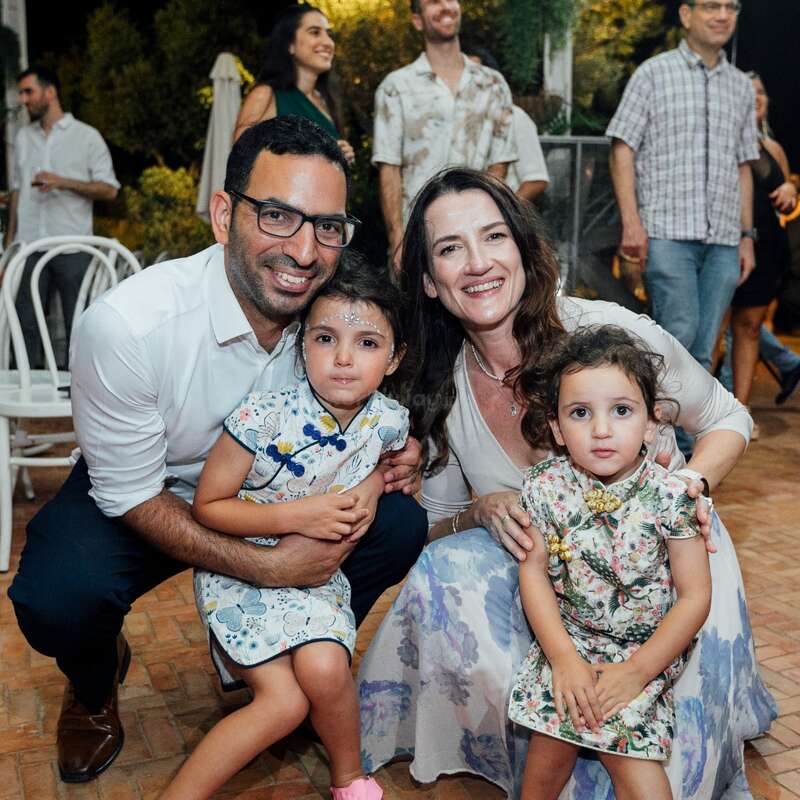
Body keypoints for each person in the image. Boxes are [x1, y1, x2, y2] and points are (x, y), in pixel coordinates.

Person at [8, 116, 427, 785]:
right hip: (151, 489)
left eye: (327, 226)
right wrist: (271, 569)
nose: (305, 250)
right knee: (59, 594)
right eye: (279, 216)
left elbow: (374, 417)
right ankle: (92, 686)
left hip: (277, 494)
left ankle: (274, 652)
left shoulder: (332, 320)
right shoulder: (128, 329)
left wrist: (393, 460)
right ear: (224, 214)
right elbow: (127, 493)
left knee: (402, 523)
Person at [356, 168, 776, 799]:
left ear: (524, 251)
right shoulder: (443, 385)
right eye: (449, 249)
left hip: (663, 568)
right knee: (445, 571)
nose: (476, 263)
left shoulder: (607, 334)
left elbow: (727, 417)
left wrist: (686, 484)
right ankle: (504, 727)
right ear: (429, 283)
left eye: (493, 237)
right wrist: (480, 508)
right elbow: (433, 527)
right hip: (559, 589)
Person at [161, 258, 404, 800]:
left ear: (393, 359)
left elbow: (388, 459)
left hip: (315, 578)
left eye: (367, 343)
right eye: (325, 338)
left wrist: (370, 487)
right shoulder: (262, 417)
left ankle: (349, 780)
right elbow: (209, 506)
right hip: (242, 569)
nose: (344, 358)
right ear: (302, 348)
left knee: (323, 667)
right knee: (286, 702)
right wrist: (300, 515)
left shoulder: (387, 418)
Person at [509, 326, 711, 799]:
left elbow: (695, 595)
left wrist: (639, 670)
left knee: (630, 759)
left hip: (646, 649)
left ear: (650, 424)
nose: (601, 430)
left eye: (621, 411)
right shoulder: (544, 486)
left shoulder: (672, 497)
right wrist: (562, 659)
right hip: (571, 642)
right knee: (549, 745)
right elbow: (533, 570)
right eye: (580, 413)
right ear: (557, 429)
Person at [606, 1, 758, 379]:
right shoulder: (653, 74)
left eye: (730, 7)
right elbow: (622, 147)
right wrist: (631, 223)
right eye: (711, 6)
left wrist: (746, 236)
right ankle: (665, 436)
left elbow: (743, 167)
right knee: (678, 335)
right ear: (686, 15)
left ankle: (689, 439)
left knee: (705, 347)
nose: (722, 15)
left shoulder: (741, 86)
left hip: (724, 239)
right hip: (668, 234)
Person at [372, 0, 516, 269]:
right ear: (417, 20)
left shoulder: (493, 84)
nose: (445, 7)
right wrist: (397, 242)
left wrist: (492, 233)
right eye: (432, 2)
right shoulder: (396, 87)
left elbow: (499, 167)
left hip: (478, 239)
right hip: (418, 241)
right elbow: (389, 169)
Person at [3, 65, 119, 367]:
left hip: (72, 247)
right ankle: (27, 401)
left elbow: (109, 190)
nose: (24, 100)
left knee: (78, 327)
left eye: (29, 92)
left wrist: (63, 181)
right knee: (24, 326)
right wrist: (10, 243)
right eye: (22, 94)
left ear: (50, 92)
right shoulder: (23, 139)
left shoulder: (86, 136)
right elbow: (17, 193)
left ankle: (78, 401)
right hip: (28, 247)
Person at [727, 73, 798, 418]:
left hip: (767, 246)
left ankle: (741, 414)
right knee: (713, 336)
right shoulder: (721, 144)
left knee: (750, 328)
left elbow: (787, 201)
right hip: (726, 241)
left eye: (762, 92)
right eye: (749, 91)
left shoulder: (772, 149)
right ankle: (707, 417)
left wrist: (790, 192)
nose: (757, 97)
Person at [232, 4, 355, 165]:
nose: (328, 42)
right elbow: (241, 154)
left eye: (329, 34)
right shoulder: (267, 94)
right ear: (290, 45)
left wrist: (343, 156)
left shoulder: (325, 102)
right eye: (315, 32)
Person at [462, 46, 549, 203]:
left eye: (477, 74)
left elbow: (536, 181)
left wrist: (505, 214)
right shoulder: (458, 121)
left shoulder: (516, 117)